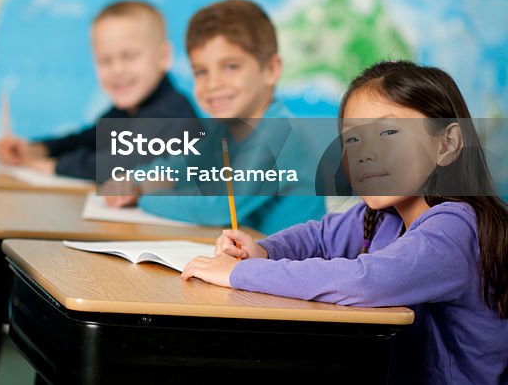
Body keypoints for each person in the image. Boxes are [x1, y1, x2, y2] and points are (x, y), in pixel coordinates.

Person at [183, 61, 508, 385]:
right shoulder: (384, 215)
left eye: (388, 132)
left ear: (447, 144)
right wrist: (262, 251)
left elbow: (366, 282)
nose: (364, 153)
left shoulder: (456, 227)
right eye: (353, 139)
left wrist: (239, 273)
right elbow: (319, 238)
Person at [115, 0, 326, 234]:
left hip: (297, 266)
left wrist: (146, 196)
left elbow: (220, 208)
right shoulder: (224, 129)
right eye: (201, 72)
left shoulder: (278, 134)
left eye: (231, 66)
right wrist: (133, 180)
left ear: (270, 70)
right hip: (252, 255)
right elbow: (180, 167)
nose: (213, 84)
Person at [0, 0, 196, 179]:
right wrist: (37, 149)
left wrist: (50, 166)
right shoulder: (126, 112)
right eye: (104, 60)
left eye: (129, 56)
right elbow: (86, 140)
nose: (117, 70)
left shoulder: (171, 112)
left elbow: (119, 164)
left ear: (163, 57)